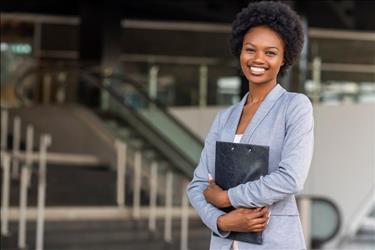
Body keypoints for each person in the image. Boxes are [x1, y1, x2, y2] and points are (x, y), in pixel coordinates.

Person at [186, 1, 314, 249]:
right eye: (250, 49)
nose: (258, 59)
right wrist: (223, 221)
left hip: (274, 242)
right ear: (240, 51)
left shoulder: (295, 106)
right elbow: (198, 185)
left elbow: (290, 178)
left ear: (284, 58)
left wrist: (227, 197)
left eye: (270, 52)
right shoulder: (224, 117)